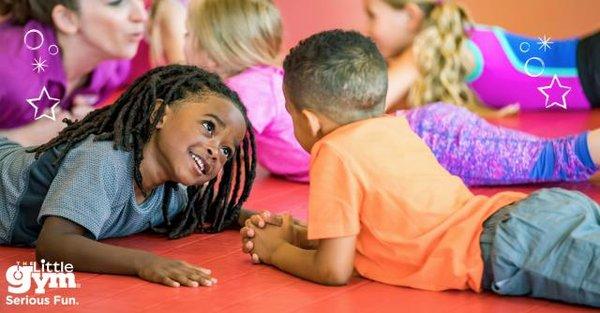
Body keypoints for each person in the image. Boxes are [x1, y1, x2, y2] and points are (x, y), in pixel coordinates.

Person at [241, 30, 600, 307]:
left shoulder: (332, 151)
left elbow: (334, 269)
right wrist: (299, 235)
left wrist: (275, 251)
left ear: (309, 120)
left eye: (289, 113)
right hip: (528, 215)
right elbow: (370, 236)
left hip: (512, 245)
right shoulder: (393, 128)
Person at [183, 0, 599, 185]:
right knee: (549, 158)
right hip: (423, 136)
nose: (369, 25)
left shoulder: (247, 87)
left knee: (552, 159)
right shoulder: (265, 80)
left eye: (373, 14)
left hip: (431, 141)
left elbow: (228, 129)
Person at [0, 64, 259, 288]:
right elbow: (54, 245)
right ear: (159, 115)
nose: (216, 151)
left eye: (226, 150)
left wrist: (254, 219)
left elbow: (206, 210)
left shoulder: (168, 194)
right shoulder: (104, 159)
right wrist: (145, 262)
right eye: (208, 126)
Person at [364, 0, 599, 112]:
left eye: (372, 15)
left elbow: (363, 108)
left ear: (410, 16)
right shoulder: (449, 43)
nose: (368, 29)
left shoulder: (423, 52)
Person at [0, 0, 146, 146]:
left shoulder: (114, 68)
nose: (142, 16)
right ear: (67, 18)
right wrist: (22, 138)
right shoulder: (8, 71)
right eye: (116, 2)